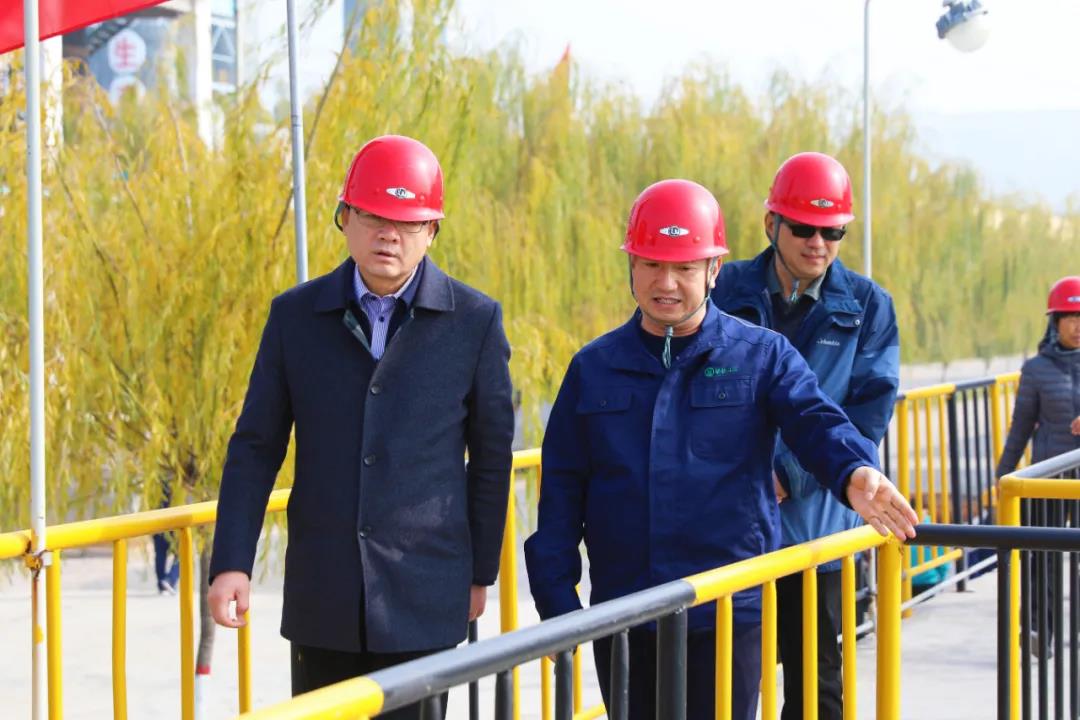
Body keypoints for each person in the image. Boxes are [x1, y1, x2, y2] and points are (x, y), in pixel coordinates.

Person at [524, 179, 917, 720]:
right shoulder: (594, 368)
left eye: (685, 268)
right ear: (631, 264)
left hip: (727, 609)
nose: (666, 283)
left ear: (714, 270)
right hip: (625, 612)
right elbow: (563, 488)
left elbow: (815, 420)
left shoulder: (761, 356)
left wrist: (854, 471)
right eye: (651, 264)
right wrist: (557, 600)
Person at [206, 135, 514, 717]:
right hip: (324, 593)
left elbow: (491, 458)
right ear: (344, 217)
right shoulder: (295, 317)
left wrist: (479, 574)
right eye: (373, 217)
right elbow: (255, 447)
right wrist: (231, 563)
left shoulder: (473, 322)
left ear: (432, 230)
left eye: (407, 222)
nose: (388, 235)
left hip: (424, 593)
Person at [710, 151, 900, 720]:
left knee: (816, 687)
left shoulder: (868, 307)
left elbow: (866, 419)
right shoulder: (722, 289)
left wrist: (787, 475)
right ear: (771, 223)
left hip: (816, 536)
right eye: (803, 228)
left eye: (832, 231)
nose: (818, 242)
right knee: (722, 681)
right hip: (728, 531)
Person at [995, 275, 1080, 657]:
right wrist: (1004, 475)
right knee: (1041, 558)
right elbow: (1021, 426)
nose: (1077, 326)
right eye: (1070, 318)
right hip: (1046, 479)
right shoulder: (1036, 369)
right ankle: (1038, 631)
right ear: (1055, 322)